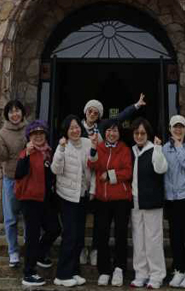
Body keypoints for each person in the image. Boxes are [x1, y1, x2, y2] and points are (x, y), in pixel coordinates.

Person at [81, 94, 146, 268]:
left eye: (96, 112)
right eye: (90, 111)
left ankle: (112, 263)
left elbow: (120, 117)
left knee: (116, 232)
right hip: (84, 182)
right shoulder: (76, 127)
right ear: (85, 111)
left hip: (108, 189)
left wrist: (136, 105)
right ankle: (85, 251)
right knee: (88, 223)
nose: (92, 114)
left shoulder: (107, 131)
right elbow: (91, 162)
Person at [15, 120, 62, 288]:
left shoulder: (48, 152)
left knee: (54, 229)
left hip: (45, 200)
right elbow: (19, 174)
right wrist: (27, 155)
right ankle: (28, 273)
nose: (39, 136)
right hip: (30, 200)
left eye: (41, 133)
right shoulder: (26, 153)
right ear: (29, 137)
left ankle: (40, 254)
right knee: (32, 236)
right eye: (35, 134)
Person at [87, 118, 133, 287]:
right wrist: (93, 148)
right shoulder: (100, 147)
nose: (111, 133)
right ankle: (104, 270)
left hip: (121, 198)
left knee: (120, 234)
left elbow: (127, 172)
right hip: (102, 199)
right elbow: (91, 164)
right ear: (104, 132)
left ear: (119, 133)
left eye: (115, 130)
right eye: (108, 130)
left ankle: (119, 268)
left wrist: (110, 175)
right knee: (102, 235)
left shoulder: (125, 149)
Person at [51, 115, 94, 287]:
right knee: (69, 235)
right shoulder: (63, 146)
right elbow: (55, 169)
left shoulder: (87, 143)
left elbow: (93, 165)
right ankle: (62, 275)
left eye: (76, 127)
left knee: (79, 236)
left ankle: (74, 271)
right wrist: (61, 150)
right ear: (66, 131)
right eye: (71, 128)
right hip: (67, 196)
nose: (75, 130)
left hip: (82, 195)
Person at [128, 117, 168, 290]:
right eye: (136, 133)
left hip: (152, 201)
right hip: (135, 201)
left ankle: (156, 275)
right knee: (138, 240)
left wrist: (158, 149)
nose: (139, 136)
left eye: (142, 133)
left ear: (148, 134)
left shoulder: (154, 149)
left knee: (153, 240)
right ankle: (141, 274)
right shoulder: (132, 151)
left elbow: (161, 168)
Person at [162, 115, 185, 289]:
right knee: (175, 236)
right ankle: (180, 269)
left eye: (181, 127)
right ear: (170, 129)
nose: (178, 130)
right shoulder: (164, 148)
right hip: (171, 199)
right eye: (175, 127)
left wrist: (179, 146)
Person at [0, 100, 28, 267]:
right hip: (11, 179)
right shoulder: (2, 133)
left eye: (17, 110)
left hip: (28, 178)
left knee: (29, 215)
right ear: (7, 115)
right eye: (11, 111)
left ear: (22, 112)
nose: (15, 114)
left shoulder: (30, 128)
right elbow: (3, 157)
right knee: (11, 218)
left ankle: (29, 246)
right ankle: (13, 251)